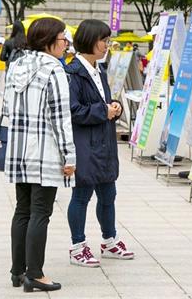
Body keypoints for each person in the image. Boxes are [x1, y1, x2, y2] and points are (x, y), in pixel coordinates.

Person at [2, 17, 76, 292]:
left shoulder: (17, 65)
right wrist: (70, 157)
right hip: (45, 152)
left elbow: (8, 107)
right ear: (48, 41)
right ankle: (35, 274)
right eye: (62, 39)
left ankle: (17, 272)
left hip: (19, 151)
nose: (66, 44)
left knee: (23, 210)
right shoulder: (53, 70)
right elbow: (60, 118)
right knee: (40, 213)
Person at [66, 19, 134, 268]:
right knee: (82, 195)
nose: (107, 45)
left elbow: (102, 101)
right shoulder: (72, 73)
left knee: (108, 194)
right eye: (104, 40)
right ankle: (77, 246)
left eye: (108, 40)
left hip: (104, 143)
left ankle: (109, 240)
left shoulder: (99, 70)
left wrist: (113, 105)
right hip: (85, 144)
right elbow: (72, 110)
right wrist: (101, 111)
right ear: (89, 41)